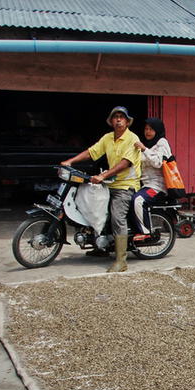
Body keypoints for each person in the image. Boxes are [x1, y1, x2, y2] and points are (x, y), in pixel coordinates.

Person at [60, 106, 142, 273]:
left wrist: (103, 176)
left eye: (122, 117)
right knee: (92, 208)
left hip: (126, 185)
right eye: (115, 117)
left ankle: (121, 261)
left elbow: (124, 163)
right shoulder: (108, 138)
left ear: (127, 122)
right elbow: (92, 152)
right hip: (110, 184)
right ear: (111, 121)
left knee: (117, 217)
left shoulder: (132, 138)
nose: (118, 119)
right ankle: (101, 246)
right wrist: (70, 161)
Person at [131, 118, 172, 236]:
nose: (147, 132)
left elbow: (158, 162)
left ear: (157, 130)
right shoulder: (148, 144)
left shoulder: (161, 142)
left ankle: (146, 232)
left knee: (138, 201)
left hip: (157, 187)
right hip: (145, 185)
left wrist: (144, 149)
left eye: (151, 129)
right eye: (146, 129)